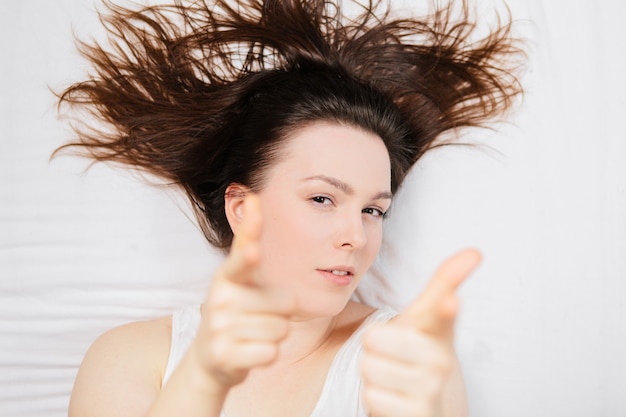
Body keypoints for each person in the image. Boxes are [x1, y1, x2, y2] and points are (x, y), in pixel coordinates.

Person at [55, 0, 523, 416]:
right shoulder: (134, 358)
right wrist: (200, 384)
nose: (356, 238)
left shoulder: (406, 362)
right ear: (241, 209)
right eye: (323, 198)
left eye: (373, 210)